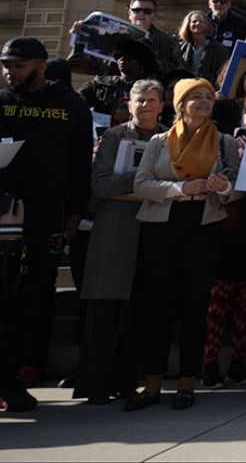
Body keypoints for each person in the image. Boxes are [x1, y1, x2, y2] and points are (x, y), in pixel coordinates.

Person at [126, 78, 240, 411]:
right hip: (162, 228)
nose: (204, 102)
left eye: (208, 97)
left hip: (203, 228)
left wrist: (222, 187)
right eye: (196, 98)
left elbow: (238, 188)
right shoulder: (159, 142)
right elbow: (141, 183)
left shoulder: (224, 142)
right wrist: (181, 189)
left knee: (195, 306)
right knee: (156, 305)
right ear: (179, 104)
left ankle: (188, 382)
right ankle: (152, 382)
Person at [0, 38, 94, 412]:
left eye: (19, 65)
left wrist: (75, 213)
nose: (11, 71)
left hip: (45, 216)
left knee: (29, 300)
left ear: (40, 66)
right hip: (3, 211)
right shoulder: (2, 102)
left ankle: (11, 380)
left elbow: (79, 165)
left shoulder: (71, 106)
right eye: (7, 65)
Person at [76, 79, 165, 404]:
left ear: (161, 105)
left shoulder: (168, 137)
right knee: (103, 309)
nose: (146, 106)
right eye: (140, 101)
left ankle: (127, 380)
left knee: (139, 309)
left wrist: (142, 183)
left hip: (151, 228)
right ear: (130, 105)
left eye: (152, 100)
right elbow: (100, 184)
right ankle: (94, 384)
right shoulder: (113, 137)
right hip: (113, 229)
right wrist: (143, 178)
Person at [201, 94, 246, 389]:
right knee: (217, 307)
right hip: (226, 230)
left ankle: (238, 363)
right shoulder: (226, 143)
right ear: (242, 115)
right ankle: (209, 364)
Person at [80, 38, 158, 117]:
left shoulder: (150, 90)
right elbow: (78, 99)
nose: (122, 59)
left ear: (142, 63)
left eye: (129, 57)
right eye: (120, 56)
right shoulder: (100, 83)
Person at [178, 9, 231, 85]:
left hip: (208, 88)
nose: (198, 23)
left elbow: (224, 73)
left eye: (201, 21)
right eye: (194, 21)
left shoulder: (219, 48)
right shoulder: (180, 47)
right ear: (188, 25)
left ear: (206, 25)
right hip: (185, 87)